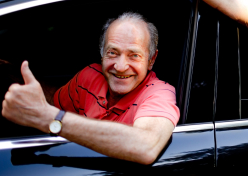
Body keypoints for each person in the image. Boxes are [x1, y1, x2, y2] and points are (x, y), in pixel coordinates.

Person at [2, 12, 179, 165]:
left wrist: (48, 118)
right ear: (102, 53)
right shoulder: (90, 76)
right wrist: (13, 76)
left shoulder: (159, 93)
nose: (120, 66)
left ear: (151, 60)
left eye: (134, 55)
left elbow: (146, 146)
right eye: (112, 53)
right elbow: (54, 100)